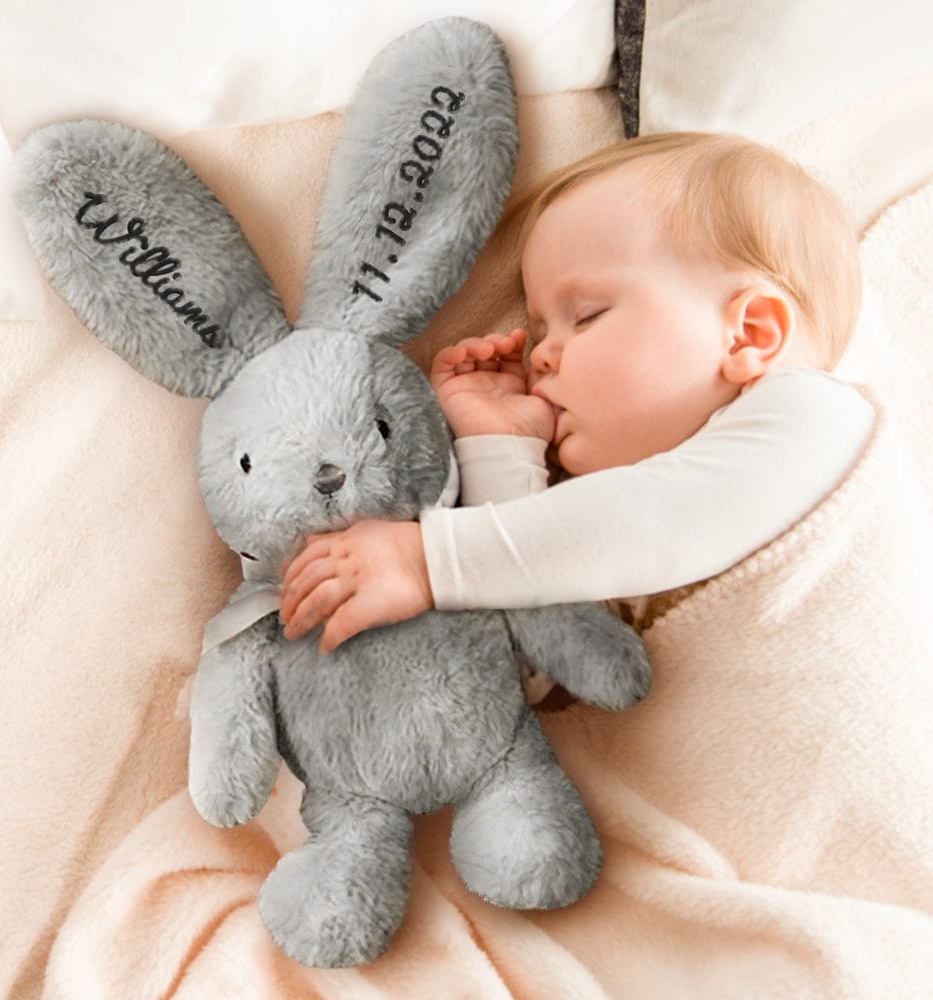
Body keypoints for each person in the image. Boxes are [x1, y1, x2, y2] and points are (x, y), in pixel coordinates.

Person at [279, 131, 876, 653]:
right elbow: (538, 649)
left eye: (586, 316)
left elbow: (655, 523)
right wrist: (503, 450)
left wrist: (429, 559)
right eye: (538, 328)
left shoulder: (817, 417)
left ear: (750, 333)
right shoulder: (611, 518)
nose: (540, 356)